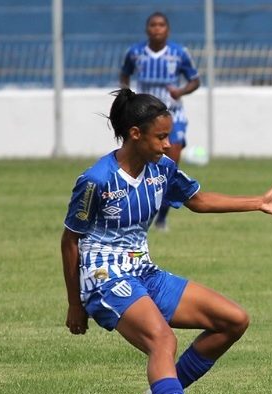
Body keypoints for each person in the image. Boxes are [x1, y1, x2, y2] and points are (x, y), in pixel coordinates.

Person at [61, 89, 272, 394]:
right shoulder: (97, 180)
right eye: (161, 137)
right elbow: (69, 240)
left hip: (144, 270)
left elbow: (197, 201)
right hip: (104, 275)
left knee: (232, 321)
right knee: (162, 340)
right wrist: (75, 304)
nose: (169, 144)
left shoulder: (162, 168)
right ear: (136, 134)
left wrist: (257, 202)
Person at [121, 11, 201, 231]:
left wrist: (181, 90)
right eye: (153, 25)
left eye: (161, 25)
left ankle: (162, 218)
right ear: (147, 29)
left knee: (170, 163)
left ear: (167, 29)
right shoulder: (135, 53)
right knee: (142, 164)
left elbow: (195, 80)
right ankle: (139, 210)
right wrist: (128, 95)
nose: (157, 28)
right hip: (145, 117)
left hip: (174, 116)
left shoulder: (179, 53)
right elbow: (124, 74)